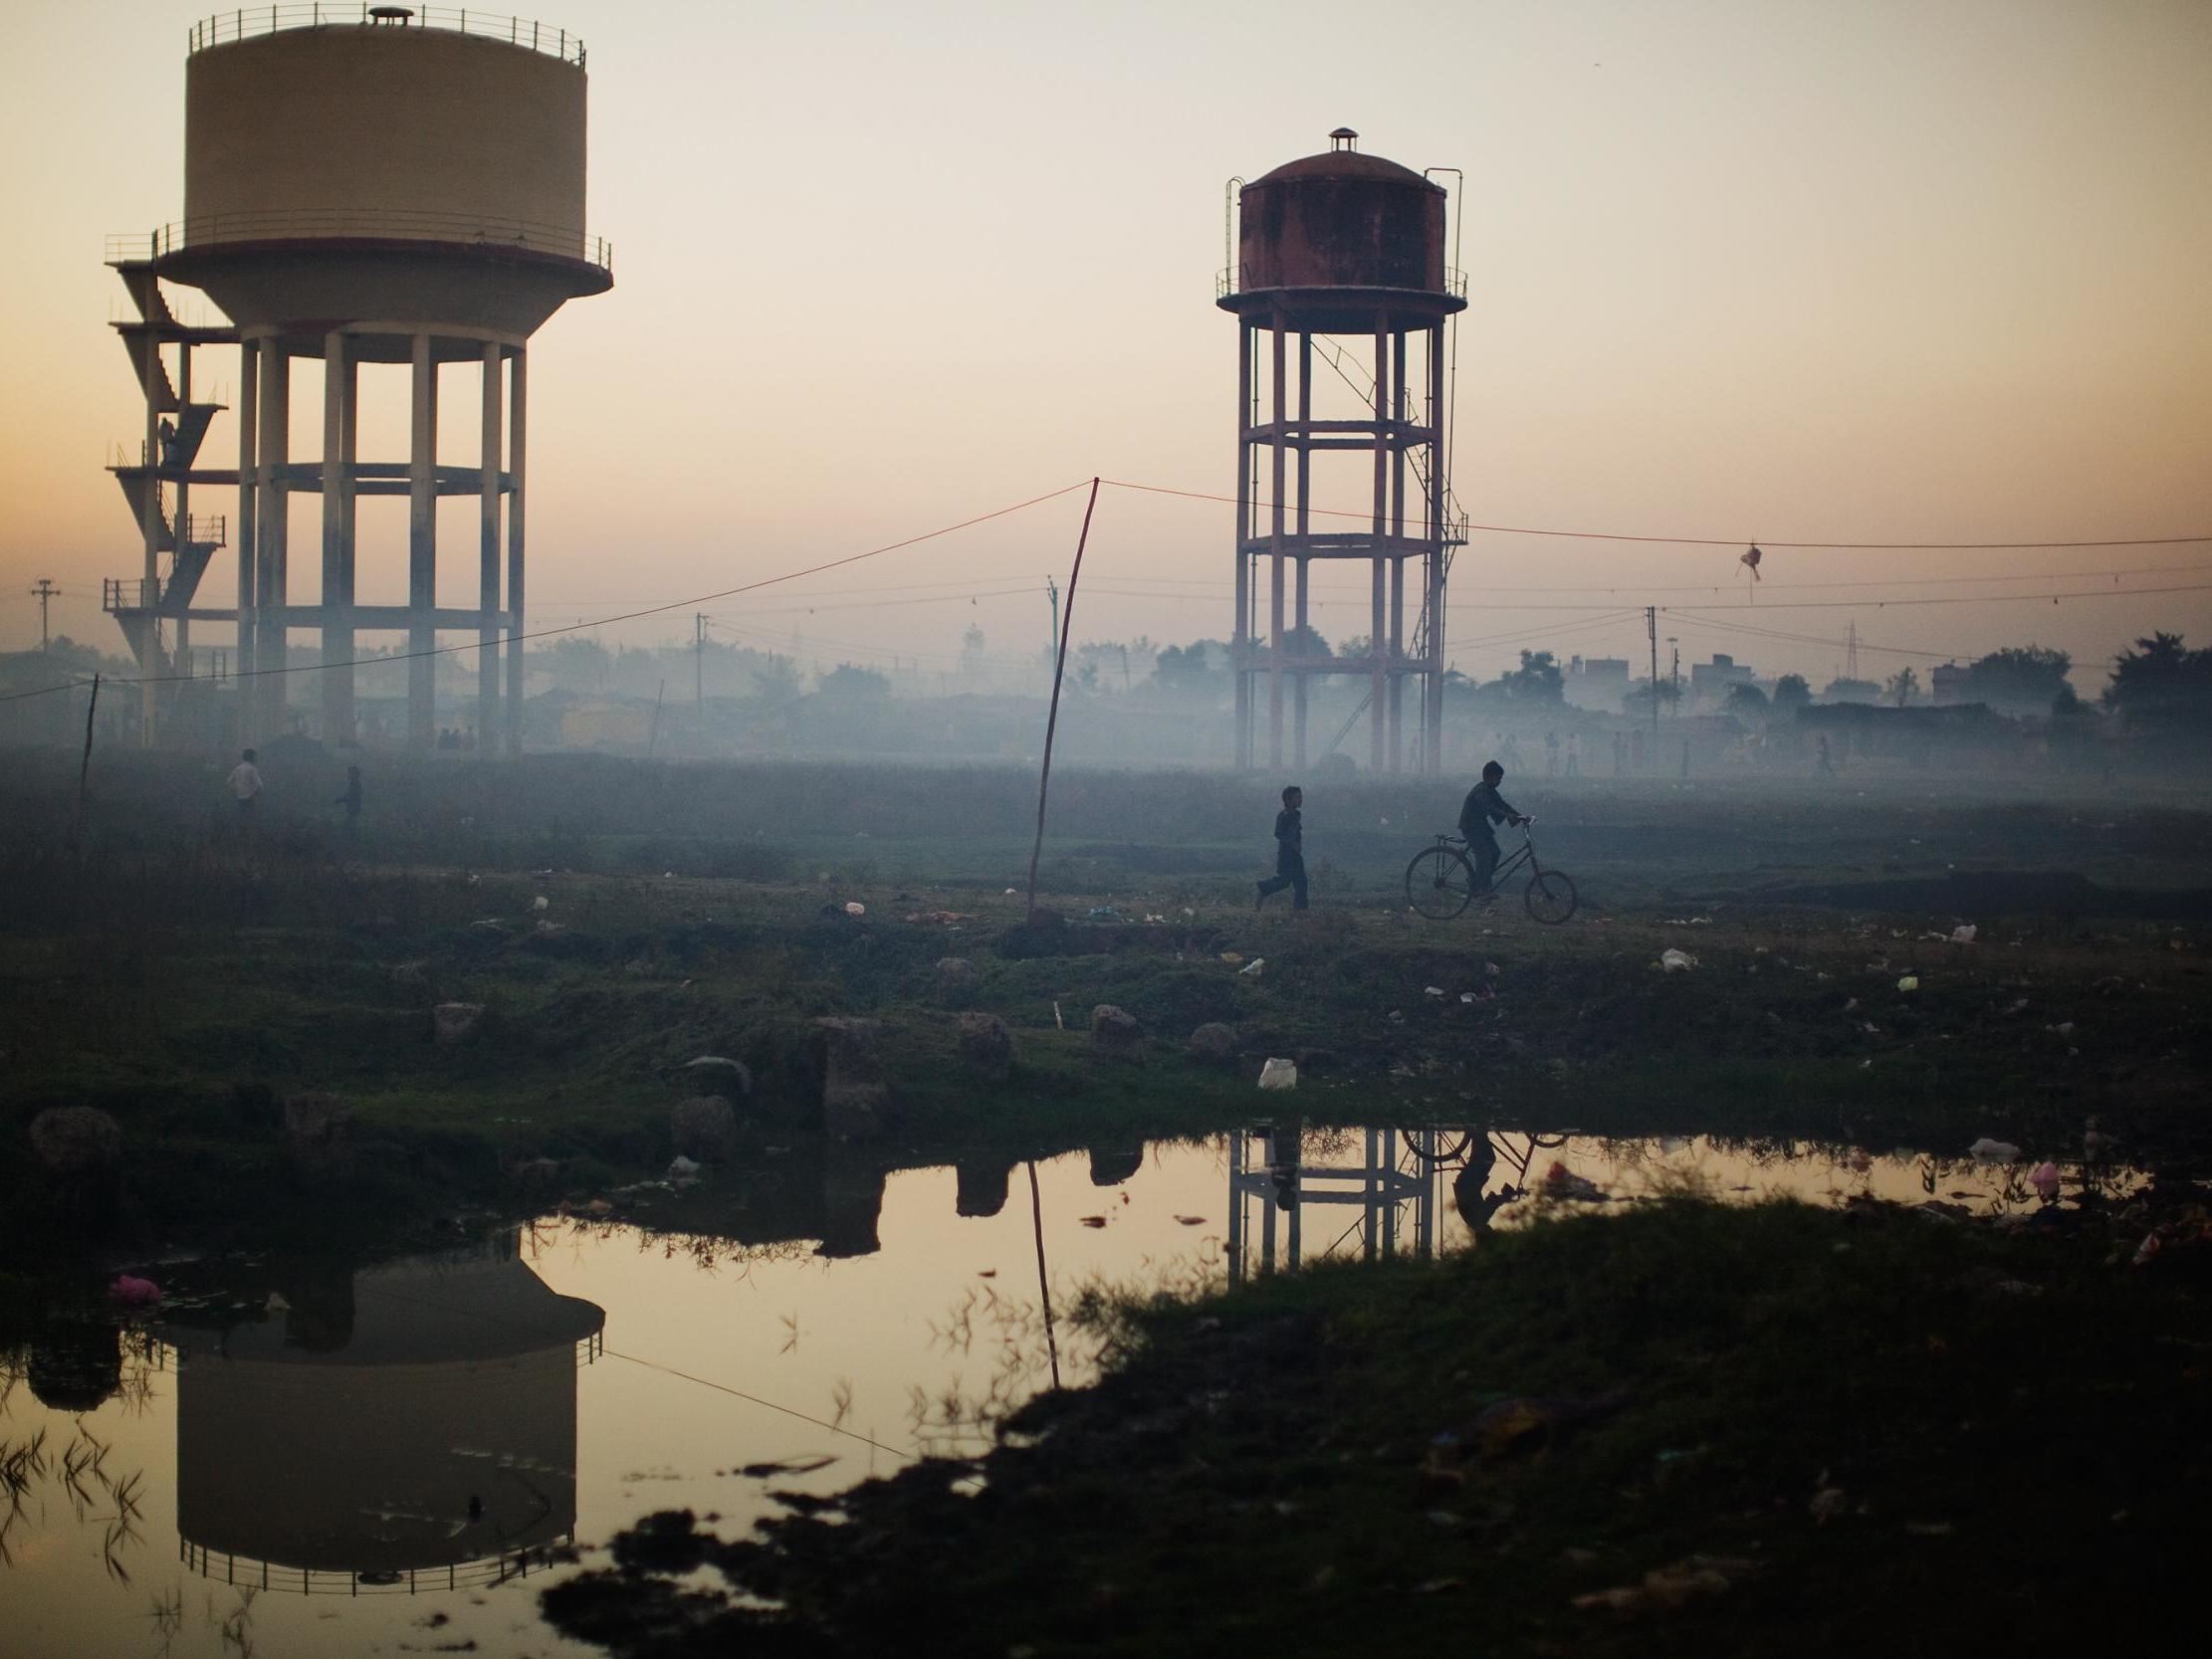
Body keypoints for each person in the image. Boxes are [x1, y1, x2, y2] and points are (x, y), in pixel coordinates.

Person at [1457, 760, 1526, 900]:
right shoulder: (1480, 791)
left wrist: (1520, 816)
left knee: (1495, 852)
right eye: (1498, 778)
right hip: (1470, 827)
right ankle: (1482, 888)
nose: (1499, 781)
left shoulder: (1490, 791)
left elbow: (1502, 804)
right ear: (1488, 777)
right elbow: (1488, 807)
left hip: (1481, 827)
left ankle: (1479, 882)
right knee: (1484, 855)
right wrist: (1507, 815)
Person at [1254, 784, 1307, 911]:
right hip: (1286, 855)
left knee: (1301, 883)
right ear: (1288, 800)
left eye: (1301, 797)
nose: (1301, 799)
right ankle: (1264, 889)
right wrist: (1292, 844)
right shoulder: (1283, 816)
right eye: (1297, 797)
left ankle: (1300, 910)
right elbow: (1278, 833)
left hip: (1296, 855)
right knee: (1284, 881)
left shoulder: (1296, 814)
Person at [228, 748, 264, 815]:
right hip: (250, 799)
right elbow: (260, 785)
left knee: (241, 818)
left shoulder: (237, 769)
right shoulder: (252, 769)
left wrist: (234, 791)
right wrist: (255, 794)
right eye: (255, 757)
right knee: (250, 818)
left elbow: (229, 782)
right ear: (252, 757)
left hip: (239, 799)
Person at [334, 764, 362, 830]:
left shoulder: (355, 784)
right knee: (350, 824)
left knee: (349, 826)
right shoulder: (354, 783)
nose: (348, 775)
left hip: (353, 808)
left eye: (349, 773)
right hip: (352, 808)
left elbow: (353, 798)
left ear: (354, 774)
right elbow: (349, 795)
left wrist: (341, 800)